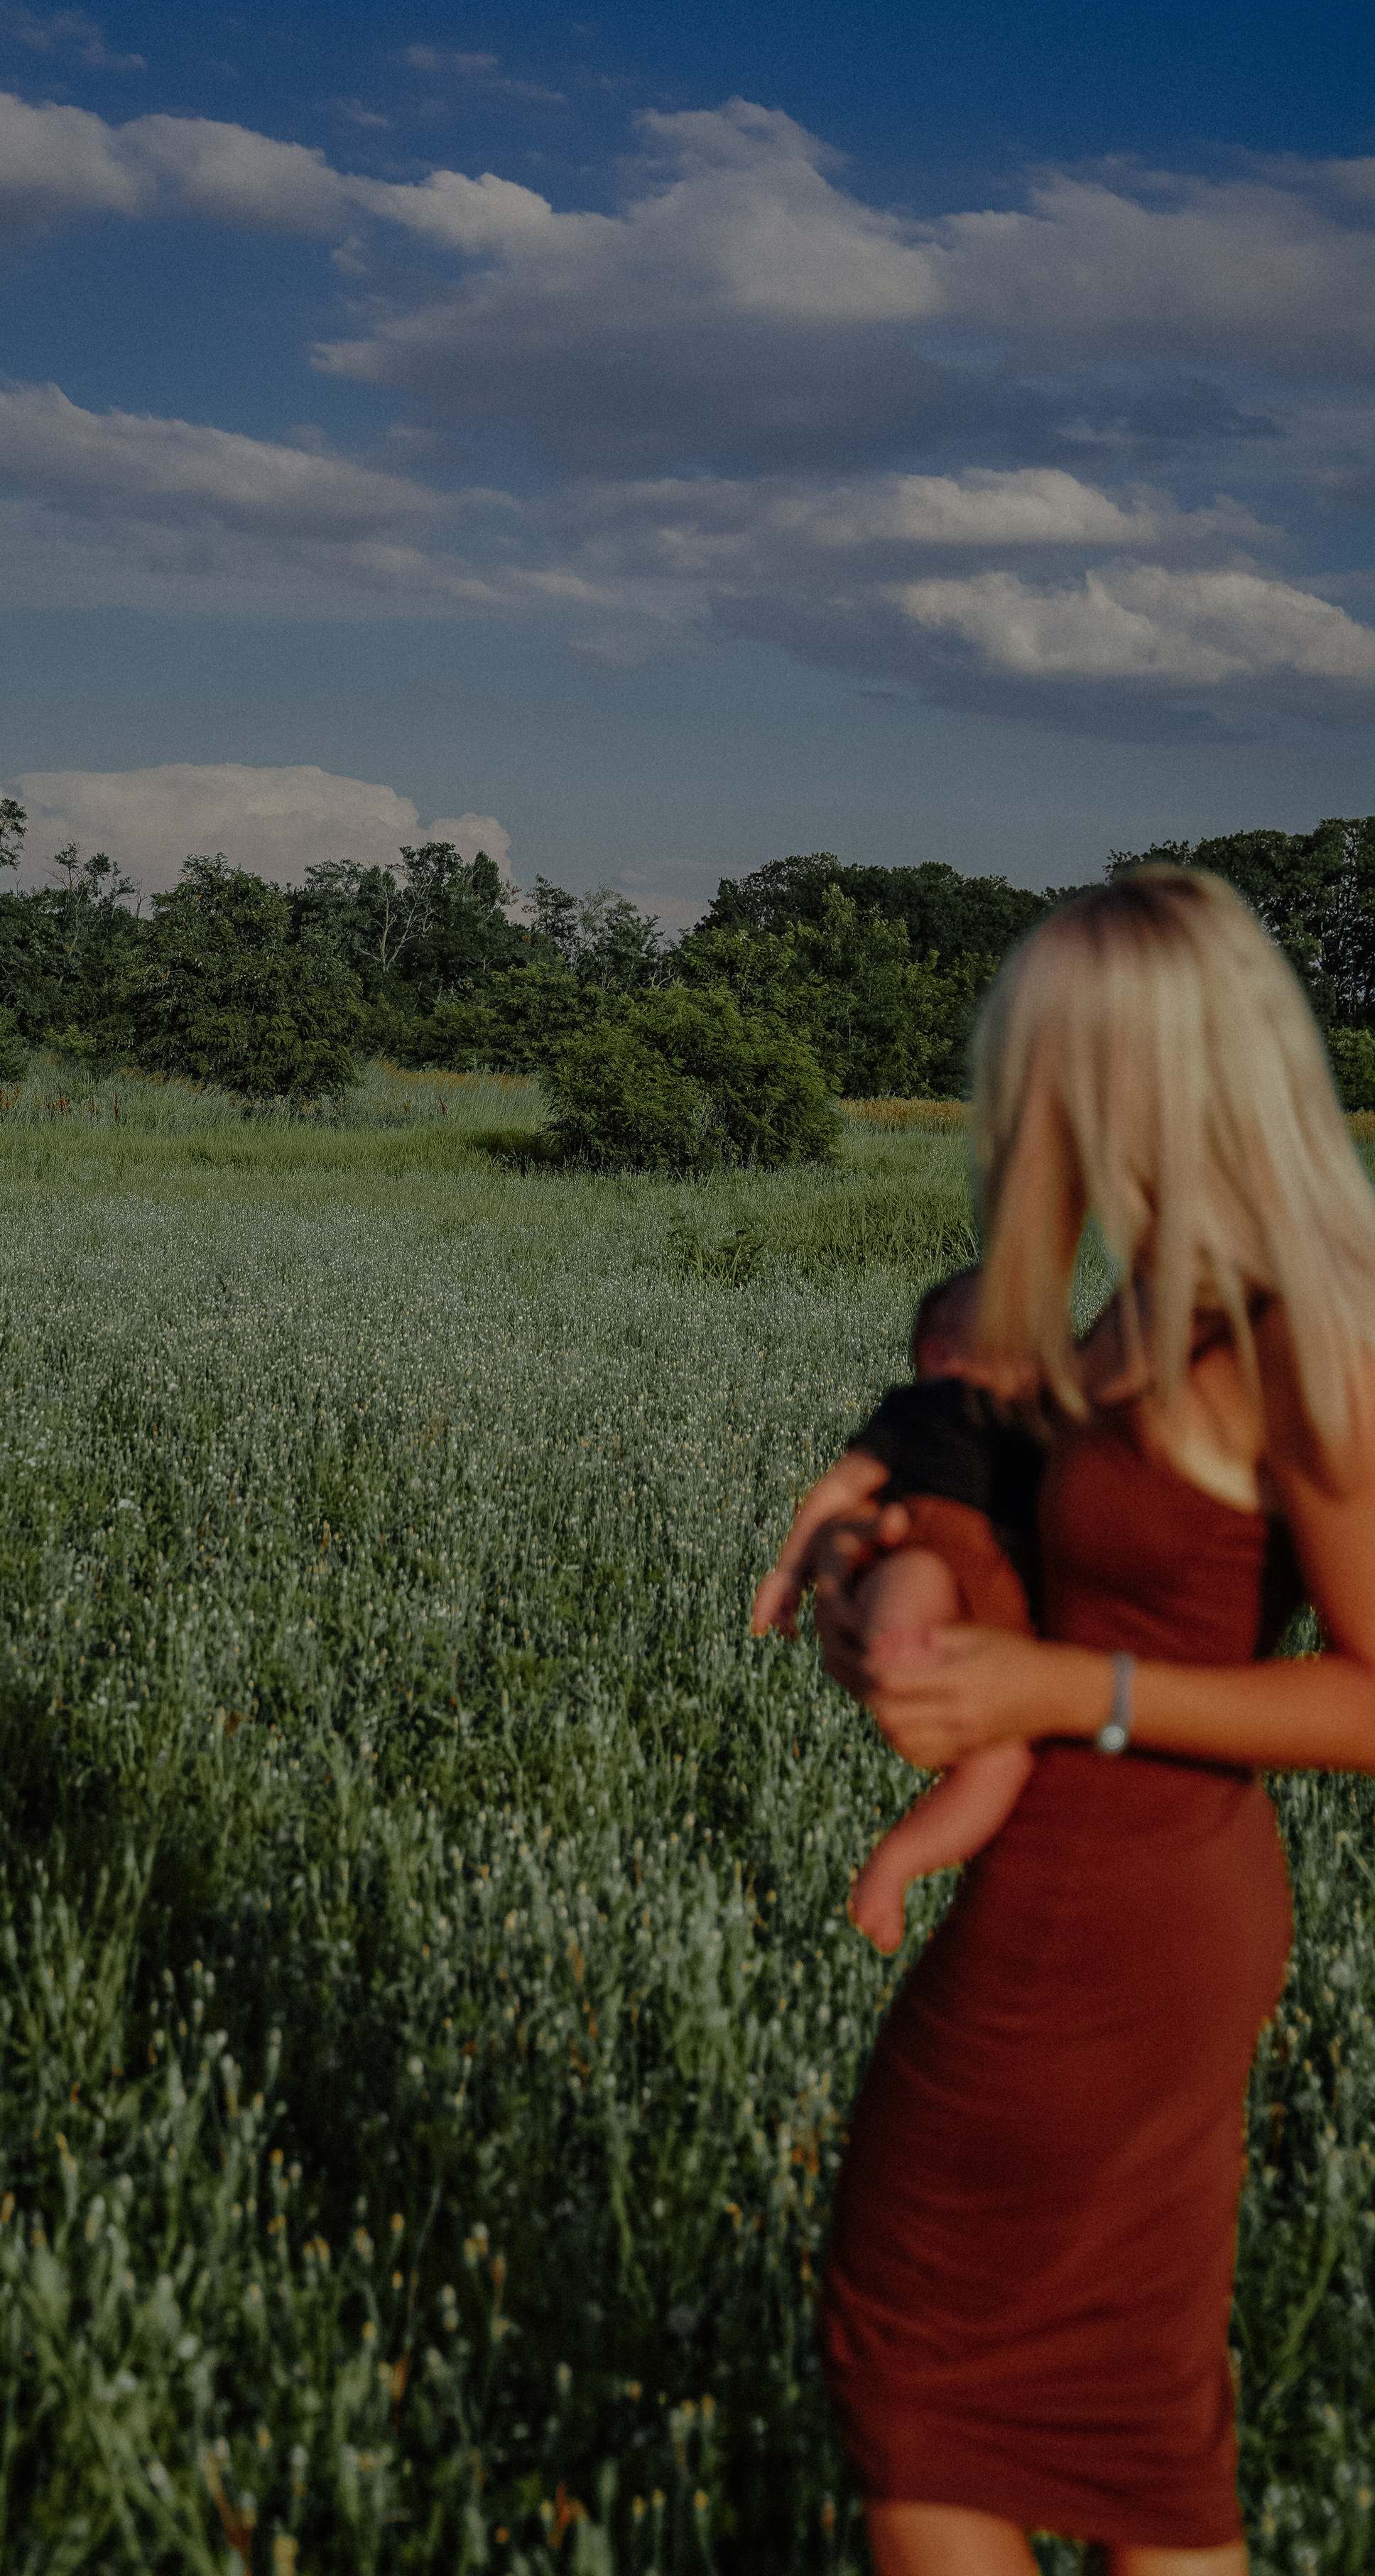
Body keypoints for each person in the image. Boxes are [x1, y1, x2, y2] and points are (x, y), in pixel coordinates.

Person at [762, 866, 1375, 2575]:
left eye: (1041, 1060)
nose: (1016, 1100)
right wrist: (885, 1578)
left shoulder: (1287, 1331)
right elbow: (1039, 1574)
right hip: (1115, 1888)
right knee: (1131, 2419)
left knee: (912, 2375)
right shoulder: (1132, 1310)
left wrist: (1059, 1691)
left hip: (1109, 1918)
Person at [754, 1270, 1042, 1953]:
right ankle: (899, 1661)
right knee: (911, 1588)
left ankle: (898, 1862)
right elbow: (838, 1490)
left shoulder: (1047, 1415)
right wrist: (789, 1572)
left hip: (1006, 1582)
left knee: (1007, 1758)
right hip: (929, 1539)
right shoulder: (922, 1406)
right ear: (941, 1357)